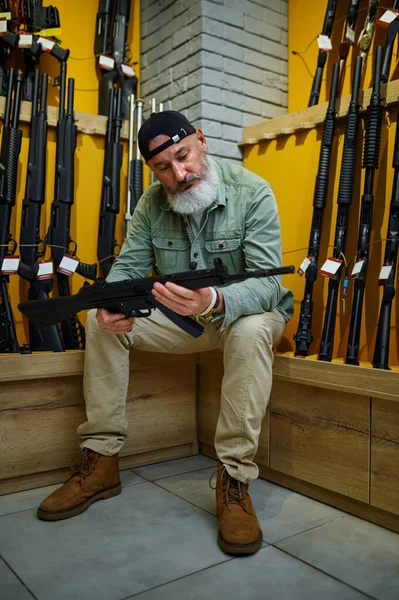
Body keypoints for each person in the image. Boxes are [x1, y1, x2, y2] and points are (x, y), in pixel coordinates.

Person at [37, 111, 294, 555]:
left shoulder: (253, 192)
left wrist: (215, 300)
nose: (179, 174)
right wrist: (111, 306)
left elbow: (269, 283)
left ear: (201, 141)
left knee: (251, 331)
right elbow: (128, 268)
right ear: (151, 170)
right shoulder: (151, 204)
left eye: (184, 157)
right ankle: (101, 463)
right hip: (183, 321)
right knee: (99, 324)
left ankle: (233, 479)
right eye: (163, 167)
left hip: (241, 317)